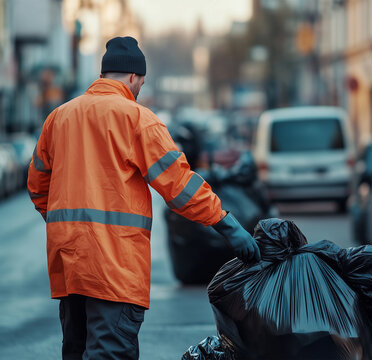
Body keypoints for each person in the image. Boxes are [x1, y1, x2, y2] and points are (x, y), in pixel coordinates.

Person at [27, 36, 260, 360]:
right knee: (111, 352)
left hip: (70, 264)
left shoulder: (59, 118)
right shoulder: (137, 119)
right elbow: (178, 185)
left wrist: (69, 228)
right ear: (134, 77)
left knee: (77, 352)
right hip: (115, 265)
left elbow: (38, 185)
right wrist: (226, 224)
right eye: (142, 82)